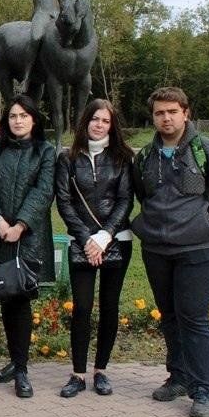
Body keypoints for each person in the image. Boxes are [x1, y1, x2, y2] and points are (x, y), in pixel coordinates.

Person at [131, 87, 209, 417]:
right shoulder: (145, 156)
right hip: (156, 250)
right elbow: (142, 194)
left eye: (172, 112)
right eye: (159, 113)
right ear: (153, 117)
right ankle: (178, 376)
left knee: (194, 319)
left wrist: (208, 227)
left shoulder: (207, 151)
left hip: (197, 250)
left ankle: (204, 390)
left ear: (185, 113)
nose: (166, 118)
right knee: (170, 316)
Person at [0, 94, 56, 398]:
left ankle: (21, 370)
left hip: (27, 238)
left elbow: (44, 190)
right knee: (3, 296)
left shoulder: (45, 152)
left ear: (34, 119)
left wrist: (20, 224)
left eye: (23, 115)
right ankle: (15, 360)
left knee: (19, 299)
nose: (18, 121)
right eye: (12, 116)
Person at [54, 99, 134, 398]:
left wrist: (104, 236)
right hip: (81, 243)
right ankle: (78, 373)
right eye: (95, 119)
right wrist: (87, 237)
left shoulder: (123, 157)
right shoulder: (68, 159)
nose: (99, 125)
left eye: (106, 121)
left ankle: (101, 370)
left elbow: (126, 200)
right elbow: (64, 202)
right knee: (82, 308)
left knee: (109, 307)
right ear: (85, 121)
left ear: (112, 125)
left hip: (116, 242)